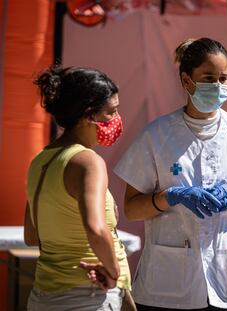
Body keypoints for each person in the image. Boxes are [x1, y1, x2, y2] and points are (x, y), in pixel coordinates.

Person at [114, 37, 227, 310]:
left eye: (223, 79)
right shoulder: (157, 135)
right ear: (186, 81)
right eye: (209, 78)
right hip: (167, 286)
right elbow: (131, 208)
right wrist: (171, 197)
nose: (218, 86)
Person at [24, 65, 131, 310]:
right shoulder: (88, 161)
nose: (115, 120)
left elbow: (31, 235)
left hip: (44, 294)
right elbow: (95, 228)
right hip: (88, 296)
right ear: (88, 114)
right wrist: (113, 273)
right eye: (111, 112)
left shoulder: (40, 161)